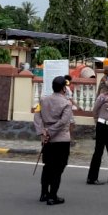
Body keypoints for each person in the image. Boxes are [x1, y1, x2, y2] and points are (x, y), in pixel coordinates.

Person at [34, 76, 74, 205]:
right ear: (63, 88)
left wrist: (43, 131)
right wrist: (51, 132)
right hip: (61, 139)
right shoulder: (67, 103)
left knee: (48, 167)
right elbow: (63, 122)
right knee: (58, 168)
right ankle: (52, 196)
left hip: (47, 140)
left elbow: (37, 116)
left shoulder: (43, 100)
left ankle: (43, 193)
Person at [63, 75, 78, 144]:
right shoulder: (66, 89)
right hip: (67, 108)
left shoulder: (63, 88)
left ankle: (67, 138)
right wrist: (77, 105)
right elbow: (70, 99)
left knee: (69, 124)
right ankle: (70, 139)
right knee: (71, 124)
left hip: (65, 107)